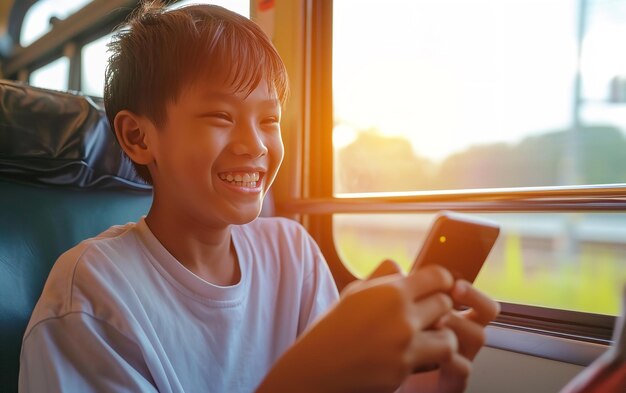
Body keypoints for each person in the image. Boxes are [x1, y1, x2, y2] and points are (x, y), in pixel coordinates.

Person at [19, 2, 499, 392]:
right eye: (221, 117)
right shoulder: (91, 295)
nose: (255, 145)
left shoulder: (293, 253)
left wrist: (417, 383)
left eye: (269, 120)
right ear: (139, 137)